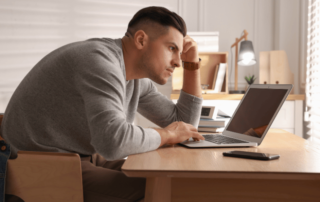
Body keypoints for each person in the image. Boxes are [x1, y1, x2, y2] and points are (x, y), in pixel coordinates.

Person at [1, 6, 204, 202]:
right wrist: (167, 135)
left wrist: (192, 65)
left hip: (81, 154)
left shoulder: (134, 77)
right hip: (40, 164)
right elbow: (113, 141)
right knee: (162, 190)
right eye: (171, 48)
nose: (178, 61)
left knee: (167, 179)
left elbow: (184, 125)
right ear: (141, 40)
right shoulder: (100, 63)